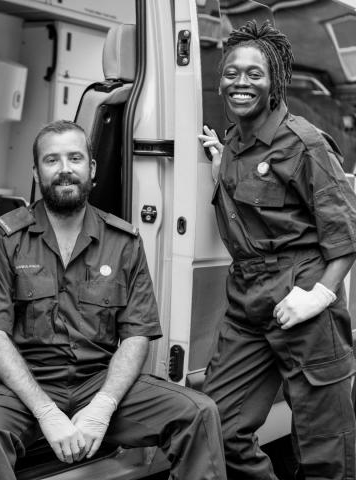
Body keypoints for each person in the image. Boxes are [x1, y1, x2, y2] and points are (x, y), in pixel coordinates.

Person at [0, 120, 226, 480]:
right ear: (36, 172)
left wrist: (104, 406)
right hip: (25, 385)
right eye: (52, 160)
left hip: (99, 381)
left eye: (75, 158)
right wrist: (46, 412)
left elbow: (136, 335)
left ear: (91, 169)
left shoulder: (124, 241)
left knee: (199, 411)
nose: (65, 169)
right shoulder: (4, 238)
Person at [199, 20, 356, 480]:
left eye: (254, 73)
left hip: (302, 300)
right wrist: (217, 161)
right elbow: (251, 194)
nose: (240, 82)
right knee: (217, 429)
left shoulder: (305, 143)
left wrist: (319, 297)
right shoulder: (232, 142)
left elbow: (346, 236)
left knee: (325, 451)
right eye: (231, 72)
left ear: (275, 82)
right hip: (247, 304)